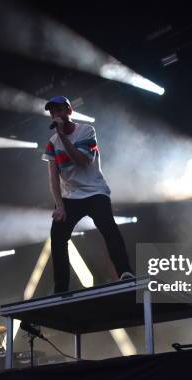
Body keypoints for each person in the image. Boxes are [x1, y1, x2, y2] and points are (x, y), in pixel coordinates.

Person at [42, 96, 134, 293]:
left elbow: (82, 160)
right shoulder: (52, 143)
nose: (55, 115)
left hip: (94, 191)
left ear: (69, 111)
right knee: (57, 236)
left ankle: (125, 273)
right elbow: (53, 177)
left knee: (108, 227)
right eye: (52, 112)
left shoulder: (86, 131)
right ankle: (61, 288)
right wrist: (59, 206)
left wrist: (63, 137)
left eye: (58, 110)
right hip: (70, 196)